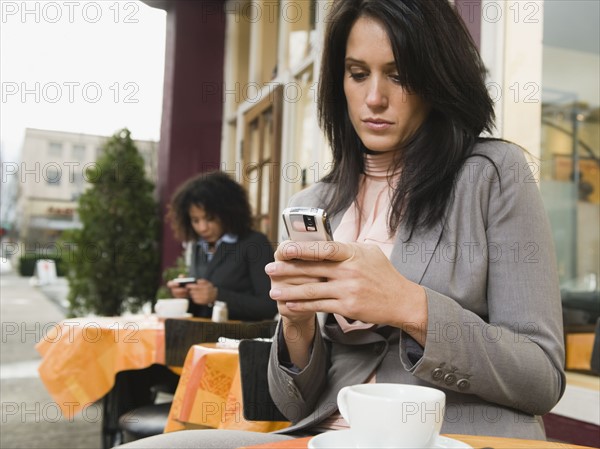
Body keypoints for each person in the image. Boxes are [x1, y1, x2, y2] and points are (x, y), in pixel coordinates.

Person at [118, 1, 564, 447]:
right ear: (340, 82)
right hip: (325, 436)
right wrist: (296, 326)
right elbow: (293, 403)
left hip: (448, 437)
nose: (375, 98)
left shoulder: (492, 174)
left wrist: (411, 306)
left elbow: (541, 376)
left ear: (435, 78)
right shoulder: (313, 202)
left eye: (399, 74)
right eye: (358, 73)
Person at [165, 170, 277, 321]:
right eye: (195, 220)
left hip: (241, 339)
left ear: (228, 212)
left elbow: (268, 307)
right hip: (204, 338)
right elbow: (202, 309)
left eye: (209, 218)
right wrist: (188, 296)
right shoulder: (198, 247)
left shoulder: (255, 243)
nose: (202, 227)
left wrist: (217, 296)